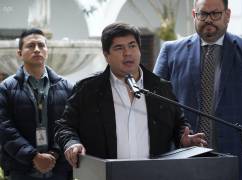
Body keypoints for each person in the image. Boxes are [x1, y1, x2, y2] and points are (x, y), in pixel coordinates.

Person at [54, 22, 207, 169]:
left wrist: (184, 139)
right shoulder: (88, 89)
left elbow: (179, 124)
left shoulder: (160, 87)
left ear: (139, 49)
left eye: (132, 46)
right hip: (106, 174)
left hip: (154, 174)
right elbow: (64, 126)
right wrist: (72, 143)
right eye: (119, 48)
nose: (127, 53)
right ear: (106, 55)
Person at [153, 0, 242, 179]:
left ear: (227, 15)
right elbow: (154, 106)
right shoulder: (170, 51)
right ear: (194, 15)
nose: (209, 20)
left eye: (215, 14)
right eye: (203, 14)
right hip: (184, 159)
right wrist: (177, 136)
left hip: (236, 161)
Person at [0, 28, 73, 180]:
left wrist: (55, 153)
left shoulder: (67, 87)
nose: (37, 49)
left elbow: (71, 123)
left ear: (47, 51)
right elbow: (4, 128)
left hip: (58, 168)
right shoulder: (5, 88)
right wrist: (33, 156)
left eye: (41, 45)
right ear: (19, 53)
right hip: (21, 169)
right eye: (30, 46)